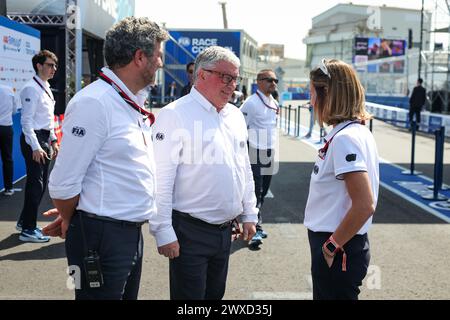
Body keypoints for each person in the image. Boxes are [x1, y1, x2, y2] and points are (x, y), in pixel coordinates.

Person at [42, 17, 168, 300]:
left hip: (125, 235)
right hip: (99, 237)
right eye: (158, 55)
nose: (160, 63)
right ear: (139, 57)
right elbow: (63, 184)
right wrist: (72, 219)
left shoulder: (125, 101)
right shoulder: (95, 102)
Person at [151, 46, 258, 300]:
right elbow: (160, 179)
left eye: (235, 78)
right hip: (189, 232)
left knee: (214, 297)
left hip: (225, 232)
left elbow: (243, 167)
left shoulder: (234, 115)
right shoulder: (174, 114)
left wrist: (250, 212)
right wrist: (162, 230)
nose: (232, 85)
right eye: (226, 77)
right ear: (201, 75)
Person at [305, 58, 379, 300]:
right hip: (342, 244)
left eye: (312, 92)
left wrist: (330, 246)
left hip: (338, 247)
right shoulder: (352, 131)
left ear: (328, 94)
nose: (310, 101)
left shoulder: (345, 138)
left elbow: (365, 204)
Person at [16, 50, 59, 243]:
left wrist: (54, 140)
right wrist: (35, 147)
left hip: (43, 139)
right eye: (50, 65)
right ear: (39, 66)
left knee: (39, 185)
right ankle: (28, 229)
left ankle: (25, 221)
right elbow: (26, 122)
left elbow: (47, 119)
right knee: (36, 185)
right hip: (33, 140)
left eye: (55, 65)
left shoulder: (45, 86)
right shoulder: (31, 88)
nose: (53, 69)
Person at [240, 69, 279, 248]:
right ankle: (255, 228)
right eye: (269, 80)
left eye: (275, 80)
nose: (273, 83)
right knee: (255, 189)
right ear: (259, 82)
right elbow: (240, 128)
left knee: (264, 190)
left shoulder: (274, 102)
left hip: (268, 150)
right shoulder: (250, 103)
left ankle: (256, 220)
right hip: (253, 150)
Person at [0, 84, 18, 196]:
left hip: (6, 127)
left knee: (8, 159)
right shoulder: (9, 89)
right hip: (6, 127)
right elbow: (14, 110)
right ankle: (9, 188)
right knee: (7, 158)